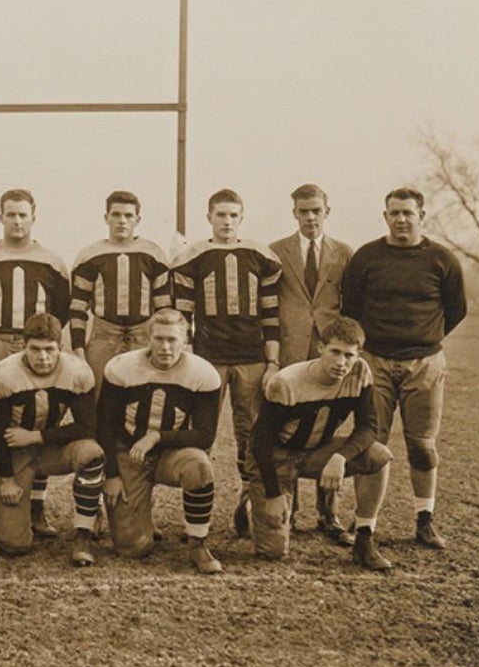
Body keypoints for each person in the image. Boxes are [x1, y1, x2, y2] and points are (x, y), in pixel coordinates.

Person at [340, 187, 468, 548]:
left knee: (422, 446)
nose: (401, 220)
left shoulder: (442, 259)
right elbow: (351, 307)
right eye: (394, 213)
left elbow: (456, 309)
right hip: (375, 362)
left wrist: (423, 341)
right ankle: (364, 524)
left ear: (421, 217)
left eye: (408, 213)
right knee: (371, 446)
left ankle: (424, 520)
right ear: (385, 217)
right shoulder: (367, 257)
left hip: (424, 364)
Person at [172, 189, 282, 541]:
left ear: (242, 217)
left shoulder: (259, 256)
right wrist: (185, 360)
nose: (227, 221)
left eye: (233, 215)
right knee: (201, 431)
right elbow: (183, 315)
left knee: (249, 432)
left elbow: (270, 312)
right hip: (208, 357)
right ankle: (196, 508)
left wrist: (272, 359)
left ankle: (248, 503)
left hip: (250, 356)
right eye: (221, 215)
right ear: (209, 218)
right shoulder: (194, 257)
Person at [0, 189, 70, 538]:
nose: (17, 221)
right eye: (11, 215)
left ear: (34, 217)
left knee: (40, 418)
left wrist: (34, 342)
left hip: (37, 348)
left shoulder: (52, 261)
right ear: (1, 217)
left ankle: (36, 506)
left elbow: (61, 310)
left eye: (23, 215)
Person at [248, 314, 394, 572]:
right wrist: (272, 493)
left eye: (349, 355)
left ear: (358, 355)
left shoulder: (360, 373)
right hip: (277, 456)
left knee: (378, 455)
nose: (342, 362)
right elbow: (260, 442)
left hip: (318, 452)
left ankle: (364, 537)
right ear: (320, 348)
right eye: (335, 352)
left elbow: (368, 427)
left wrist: (340, 458)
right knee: (272, 551)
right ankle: (252, 502)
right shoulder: (286, 382)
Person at [96, 308, 225, 575]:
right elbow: (105, 427)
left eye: (173, 340)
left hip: (171, 453)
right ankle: (140, 509)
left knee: (199, 466)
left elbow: (204, 434)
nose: (165, 347)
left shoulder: (203, 373)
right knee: (133, 547)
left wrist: (157, 437)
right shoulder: (121, 368)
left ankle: (198, 543)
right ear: (147, 338)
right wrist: (111, 475)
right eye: (159, 339)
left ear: (186, 340)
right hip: (129, 452)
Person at [268, 183, 354, 537]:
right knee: (286, 430)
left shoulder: (344, 253)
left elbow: (348, 307)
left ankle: (327, 513)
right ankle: (289, 509)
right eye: (303, 211)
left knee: (326, 430)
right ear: (294, 213)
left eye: (316, 210)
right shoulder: (276, 251)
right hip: (291, 352)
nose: (310, 217)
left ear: (327, 212)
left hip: (329, 353)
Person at [0, 313, 104, 565]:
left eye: (49, 349)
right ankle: (22, 508)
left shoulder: (77, 372)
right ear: (23, 348)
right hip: (12, 446)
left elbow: (88, 426)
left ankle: (86, 528)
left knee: (91, 452)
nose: (42, 357)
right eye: (35, 349)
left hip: (45, 442)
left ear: (60, 347)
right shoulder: (5, 373)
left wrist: (36, 436)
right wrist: (7, 479)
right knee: (13, 544)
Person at [68, 190, 174, 381]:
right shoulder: (90, 256)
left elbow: (164, 308)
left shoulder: (153, 254)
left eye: (128, 215)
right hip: (103, 337)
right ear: (106, 218)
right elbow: (77, 308)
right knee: (101, 400)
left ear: (137, 219)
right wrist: (79, 350)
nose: (122, 221)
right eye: (116, 214)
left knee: (141, 399)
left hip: (143, 337)